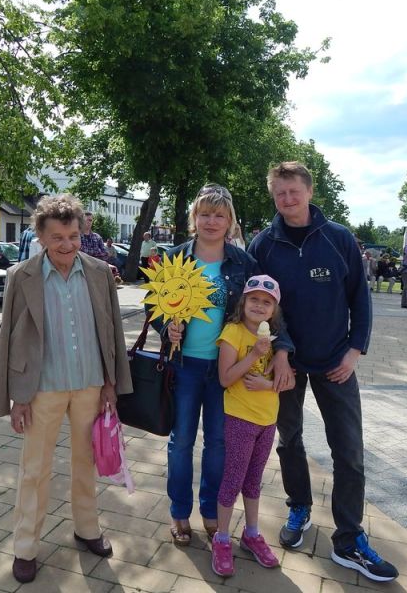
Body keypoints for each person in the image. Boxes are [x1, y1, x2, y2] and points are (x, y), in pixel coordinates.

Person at [249, 161, 398, 582]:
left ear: (309, 192)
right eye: (279, 193)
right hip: (286, 363)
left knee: (349, 451)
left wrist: (354, 351)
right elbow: (261, 308)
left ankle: (348, 539)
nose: (287, 199)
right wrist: (281, 351)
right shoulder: (264, 245)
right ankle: (299, 507)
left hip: (336, 362)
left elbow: (360, 299)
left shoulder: (338, 239)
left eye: (293, 191)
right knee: (289, 440)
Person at [0, 194, 133, 584]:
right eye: (57, 237)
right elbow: (11, 339)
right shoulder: (22, 275)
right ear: (40, 237)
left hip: (90, 385)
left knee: (86, 462)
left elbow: (112, 332)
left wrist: (111, 383)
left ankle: (87, 528)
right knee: (35, 469)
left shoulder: (99, 272)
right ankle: (25, 546)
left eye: (72, 236)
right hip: (42, 389)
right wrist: (17, 397)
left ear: (81, 233)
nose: (66, 244)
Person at [160, 183, 294, 548]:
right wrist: (167, 328)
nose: (211, 221)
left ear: (230, 221)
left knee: (218, 444)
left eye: (219, 215)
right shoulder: (175, 258)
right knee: (181, 441)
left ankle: (210, 512)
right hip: (185, 366)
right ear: (194, 217)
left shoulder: (243, 263)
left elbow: (269, 310)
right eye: (204, 214)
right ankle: (179, 513)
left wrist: (282, 350)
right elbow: (154, 308)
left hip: (227, 373)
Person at [212, 275, 283, 577]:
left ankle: (251, 533)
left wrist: (268, 383)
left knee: (254, 481)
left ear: (274, 310)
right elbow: (225, 379)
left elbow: (287, 381)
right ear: (243, 302)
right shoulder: (233, 333)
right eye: (254, 299)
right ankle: (221, 538)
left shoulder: (278, 341)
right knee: (233, 480)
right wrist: (254, 353)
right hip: (241, 418)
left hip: (268, 419)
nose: (259, 305)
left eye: (266, 302)